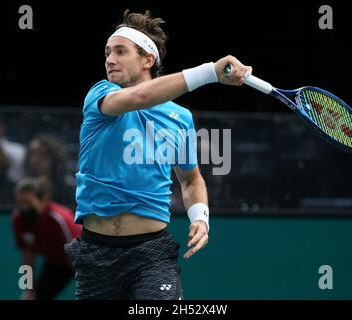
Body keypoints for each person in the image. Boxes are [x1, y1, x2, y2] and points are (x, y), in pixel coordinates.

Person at [64, 9, 251, 300]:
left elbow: (190, 179)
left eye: (120, 52)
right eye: (107, 52)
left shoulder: (180, 118)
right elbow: (139, 97)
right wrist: (209, 72)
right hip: (95, 253)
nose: (110, 60)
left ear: (147, 60)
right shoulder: (100, 95)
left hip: (151, 254)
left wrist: (200, 217)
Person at [11, 177, 82, 300]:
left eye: (28, 203)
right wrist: (29, 289)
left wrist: (86, 283)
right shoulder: (18, 219)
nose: (24, 208)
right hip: (56, 264)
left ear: (43, 201)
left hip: (82, 260)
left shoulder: (57, 219)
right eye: (21, 203)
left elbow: (74, 255)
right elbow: (28, 257)